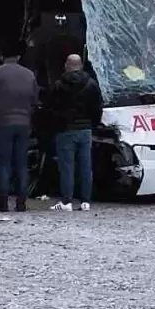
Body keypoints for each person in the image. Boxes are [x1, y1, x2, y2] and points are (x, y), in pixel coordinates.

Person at [0, 41, 38, 212]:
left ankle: (3, 200)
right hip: (24, 123)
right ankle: (21, 201)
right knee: (22, 163)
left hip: (3, 122)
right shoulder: (29, 75)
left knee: (4, 162)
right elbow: (35, 101)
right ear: (19, 56)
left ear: (2, 56)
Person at [46, 53, 103, 212]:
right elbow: (98, 107)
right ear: (81, 65)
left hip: (65, 130)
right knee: (86, 166)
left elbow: (52, 108)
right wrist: (93, 124)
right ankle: (85, 201)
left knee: (66, 166)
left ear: (67, 65)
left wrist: (56, 125)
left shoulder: (59, 85)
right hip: (85, 130)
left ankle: (66, 201)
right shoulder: (91, 84)